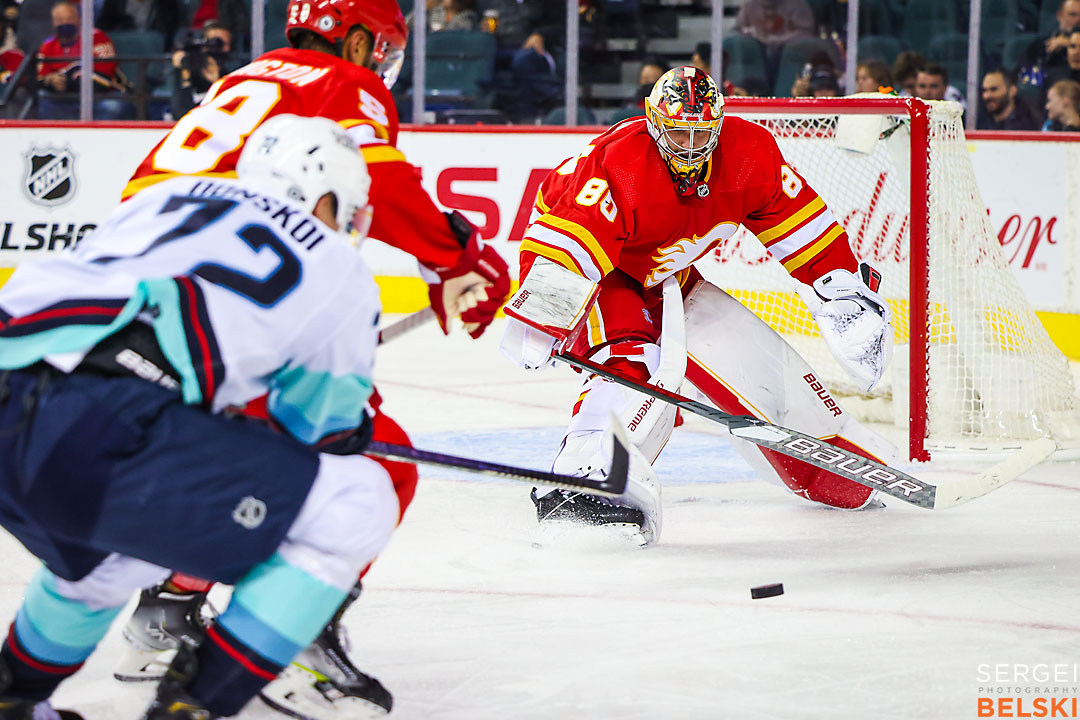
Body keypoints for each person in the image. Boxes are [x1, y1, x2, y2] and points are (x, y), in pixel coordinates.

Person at [117, 0, 510, 714]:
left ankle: (168, 609)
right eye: (380, 50)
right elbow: (380, 183)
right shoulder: (340, 81)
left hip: (133, 303)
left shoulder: (247, 77)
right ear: (355, 40)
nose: (380, 66)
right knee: (375, 463)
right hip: (231, 296)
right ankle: (287, 640)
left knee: (248, 449)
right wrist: (456, 255)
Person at [0, 115, 399, 719]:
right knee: (356, 502)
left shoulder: (166, 194)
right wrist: (347, 431)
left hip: (21, 378)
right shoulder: (338, 266)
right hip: (97, 422)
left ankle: (15, 697)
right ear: (322, 196)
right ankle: (193, 706)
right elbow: (315, 430)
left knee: (112, 553)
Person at [499, 67, 897, 546]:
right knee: (630, 362)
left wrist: (842, 290)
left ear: (719, 126)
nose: (689, 147)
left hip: (668, 270)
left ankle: (829, 455)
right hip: (602, 271)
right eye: (678, 133)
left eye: (701, 134)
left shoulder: (749, 154)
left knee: (741, 353)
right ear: (654, 123)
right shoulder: (619, 163)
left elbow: (800, 223)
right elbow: (568, 241)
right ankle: (585, 477)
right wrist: (543, 313)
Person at [36, 0, 132, 120]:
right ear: (53, 23)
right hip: (65, 99)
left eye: (69, 18)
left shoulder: (97, 37)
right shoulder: (48, 45)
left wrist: (67, 83)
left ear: (79, 19)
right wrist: (50, 80)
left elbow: (103, 80)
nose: (64, 23)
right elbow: (39, 79)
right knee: (44, 99)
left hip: (101, 96)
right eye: (59, 20)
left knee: (113, 106)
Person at [168, 21, 233, 118]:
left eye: (220, 43)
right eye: (211, 41)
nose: (214, 48)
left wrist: (217, 81)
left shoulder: (234, 68)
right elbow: (180, 111)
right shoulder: (192, 62)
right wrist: (183, 72)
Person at [735, 0, 814, 50]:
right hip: (757, 53)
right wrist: (750, 35)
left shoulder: (797, 3)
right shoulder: (749, 4)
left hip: (788, 51)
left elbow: (805, 32)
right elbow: (738, 31)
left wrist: (777, 40)